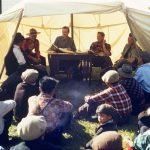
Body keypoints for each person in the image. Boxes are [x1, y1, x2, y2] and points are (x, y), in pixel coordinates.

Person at [27, 76, 73, 143]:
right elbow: (70, 106)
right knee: (67, 113)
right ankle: (66, 131)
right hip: (50, 135)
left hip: (34, 133)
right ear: (53, 90)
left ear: (40, 88)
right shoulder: (57, 102)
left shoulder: (32, 99)